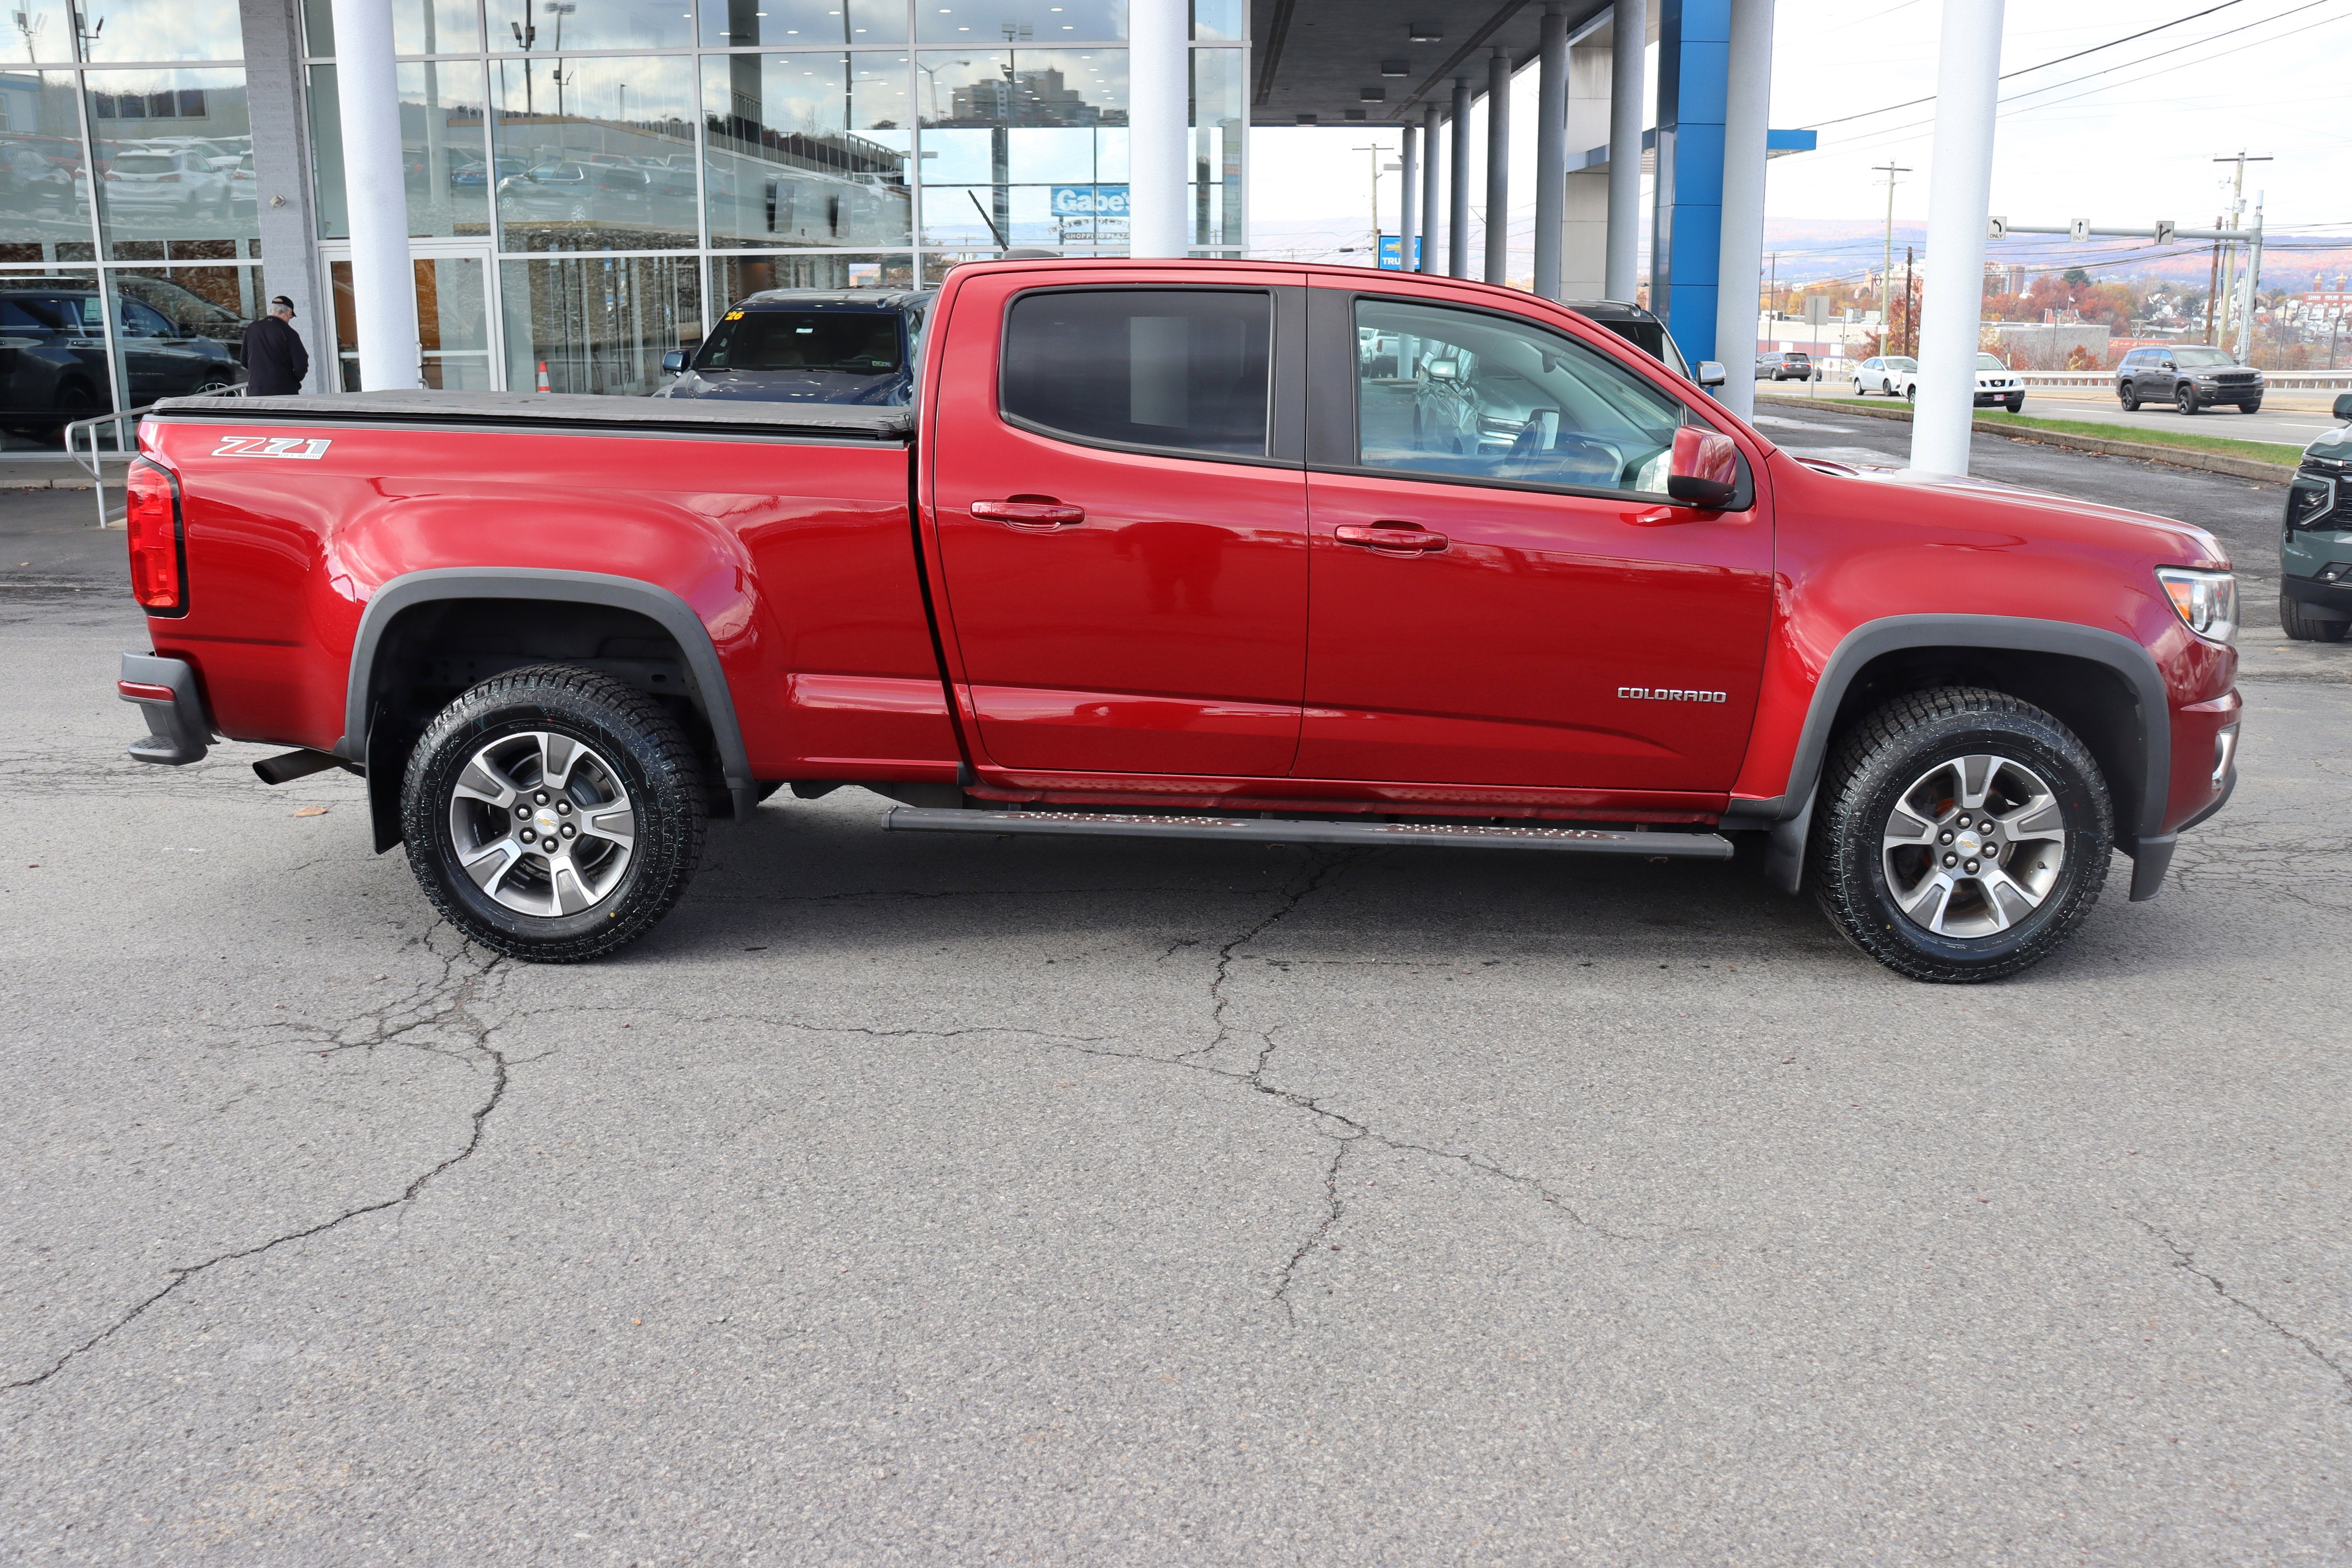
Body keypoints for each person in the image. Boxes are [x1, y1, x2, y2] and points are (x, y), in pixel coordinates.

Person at [241, 295, 310, 397]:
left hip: (256, 390)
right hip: (284, 391)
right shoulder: (289, 333)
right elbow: (301, 364)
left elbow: (244, 360)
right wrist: (294, 379)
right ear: (289, 313)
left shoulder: (252, 329)